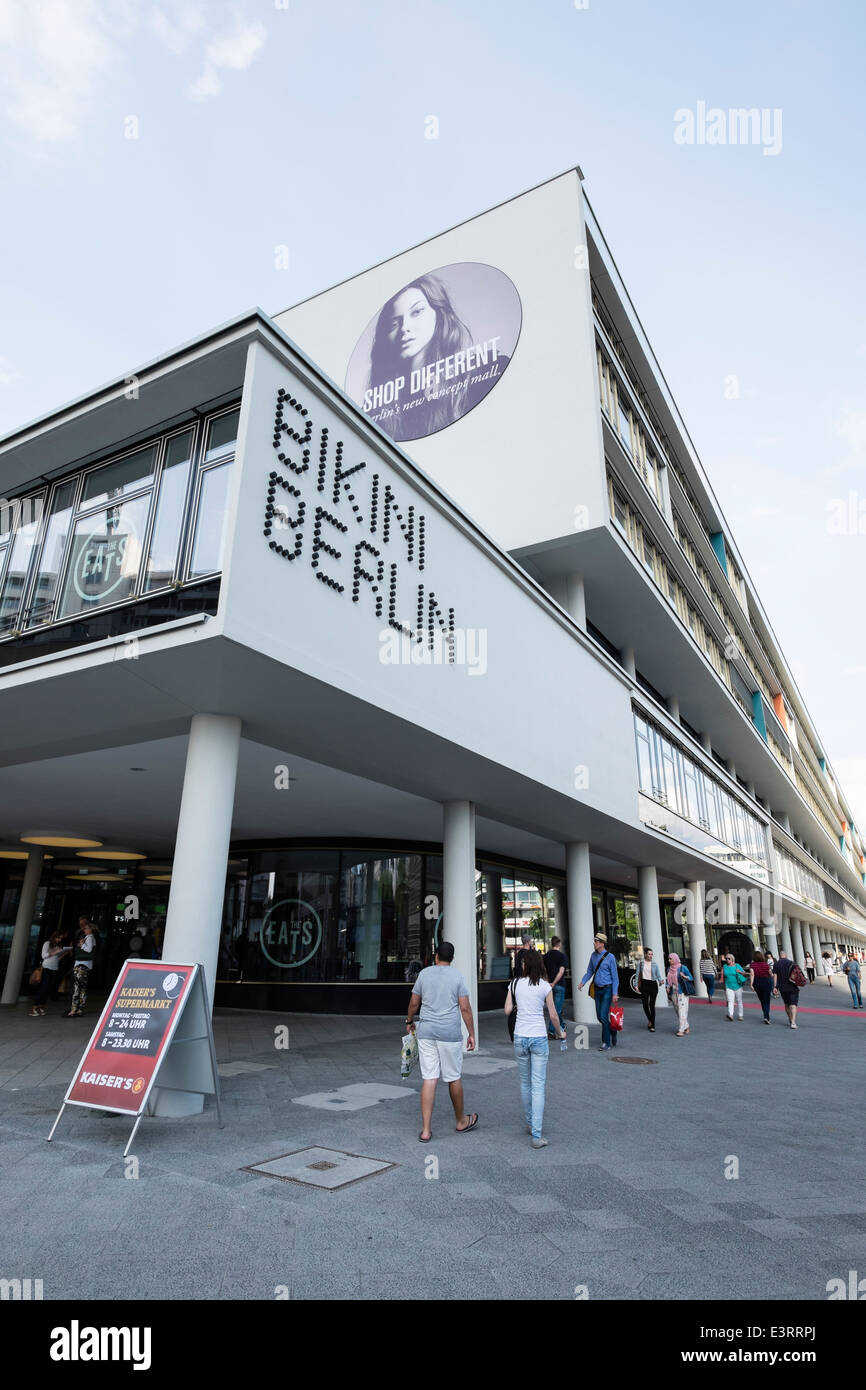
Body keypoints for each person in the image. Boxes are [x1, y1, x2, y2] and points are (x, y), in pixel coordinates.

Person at [366, 274, 511, 442]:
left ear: (439, 314)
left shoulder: (484, 373)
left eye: (417, 312)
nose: (404, 327)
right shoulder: (376, 412)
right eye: (393, 323)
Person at [405, 940, 477, 1142]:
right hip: (449, 1034)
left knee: (429, 1078)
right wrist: (471, 1033)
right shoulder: (457, 977)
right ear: (452, 959)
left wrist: (409, 1021)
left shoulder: (424, 974)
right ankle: (461, 1121)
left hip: (426, 1032)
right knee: (453, 1077)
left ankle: (426, 1130)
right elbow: (465, 1008)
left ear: (436, 956)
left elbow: (413, 1002)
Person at [504, 949, 564, 1148]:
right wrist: (560, 1032)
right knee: (538, 1085)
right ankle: (537, 1135)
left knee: (525, 1083)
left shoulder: (515, 984)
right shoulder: (545, 986)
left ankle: (530, 1123)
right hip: (538, 1037)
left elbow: (507, 1011)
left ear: (524, 965)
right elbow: (553, 1015)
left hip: (520, 1037)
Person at [577, 932, 619, 1051]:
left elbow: (615, 977)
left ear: (601, 943)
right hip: (597, 989)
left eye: (596, 941)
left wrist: (615, 993)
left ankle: (606, 1043)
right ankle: (613, 1030)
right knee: (599, 1017)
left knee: (603, 1016)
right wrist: (582, 982)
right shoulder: (593, 956)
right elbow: (590, 971)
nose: (594, 943)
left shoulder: (610, 957)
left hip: (607, 989)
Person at [29, 932, 71, 1016]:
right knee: (43, 988)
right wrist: (54, 952)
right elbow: (43, 955)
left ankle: (41, 1007)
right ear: (54, 937)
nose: (59, 940)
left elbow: (56, 959)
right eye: (58, 938)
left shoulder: (57, 945)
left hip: (55, 969)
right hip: (46, 968)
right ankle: (34, 1007)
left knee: (48, 989)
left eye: (61, 938)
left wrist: (63, 954)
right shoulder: (47, 943)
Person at [65, 917, 96, 1017]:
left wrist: (82, 944)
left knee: (77, 987)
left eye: (86, 928)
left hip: (81, 965)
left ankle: (74, 1009)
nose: (84, 929)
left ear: (90, 929)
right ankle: (80, 1009)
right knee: (82, 988)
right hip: (85, 965)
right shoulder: (89, 937)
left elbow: (88, 950)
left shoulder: (90, 937)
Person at [544, 936, 568, 1040]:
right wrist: (554, 982)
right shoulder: (562, 956)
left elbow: (543, 971)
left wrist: (548, 982)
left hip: (548, 986)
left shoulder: (546, 956)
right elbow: (561, 971)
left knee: (555, 1008)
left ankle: (562, 1025)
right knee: (557, 1010)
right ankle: (552, 1032)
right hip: (559, 985)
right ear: (559, 944)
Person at [666, 952, 694, 1036]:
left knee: (682, 1010)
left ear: (675, 959)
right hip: (673, 992)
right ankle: (686, 1026)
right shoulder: (669, 969)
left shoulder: (683, 968)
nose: (669, 960)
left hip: (682, 992)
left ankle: (681, 1030)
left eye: (671, 959)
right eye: (669, 959)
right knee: (677, 1010)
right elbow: (668, 980)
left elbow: (691, 977)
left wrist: (684, 977)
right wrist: (667, 986)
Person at [637, 947, 664, 1031]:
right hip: (644, 985)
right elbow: (637, 974)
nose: (650, 956)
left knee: (652, 1005)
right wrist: (636, 986)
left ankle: (652, 1025)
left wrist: (660, 980)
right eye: (649, 954)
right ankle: (650, 1019)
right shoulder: (641, 963)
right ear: (645, 954)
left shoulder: (654, 964)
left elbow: (658, 975)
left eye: (652, 954)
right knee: (645, 1005)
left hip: (653, 985)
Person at [773, 950, 800, 1029]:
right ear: (786, 955)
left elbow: (775, 975)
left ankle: (790, 1018)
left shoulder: (776, 964)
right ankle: (793, 1022)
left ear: (779, 955)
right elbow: (797, 974)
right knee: (793, 1004)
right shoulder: (792, 963)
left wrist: (775, 987)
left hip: (782, 987)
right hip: (792, 986)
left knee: (787, 1004)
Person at [749, 950, 774, 1024]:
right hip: (766, 982)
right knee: (767, 1000)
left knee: (762, 1000)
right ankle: (766, 1016)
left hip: (757, 983)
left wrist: (751, 984)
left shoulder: (752, 965)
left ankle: (766, 1015)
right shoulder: (766, 964)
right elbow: (771, 974)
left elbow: (752, 975)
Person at [722, 953, 747, 1020]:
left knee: (739, 1000)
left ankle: (741, 1015)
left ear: (732, 959)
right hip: (728, 986)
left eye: (729, 958)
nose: (727, 960)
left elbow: (744, 973)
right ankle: (731, 1015)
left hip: (737, 986)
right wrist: (724, 985)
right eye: (726, 958)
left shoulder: (737, 965)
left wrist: (739, 971)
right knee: (730, 1001)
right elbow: (724, 977)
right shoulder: (724, 966)